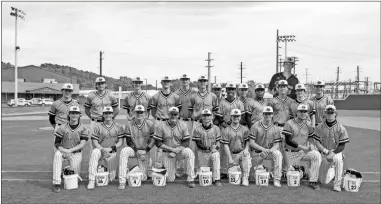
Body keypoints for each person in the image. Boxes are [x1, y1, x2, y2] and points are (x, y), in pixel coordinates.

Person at [152, 107, 196, 188]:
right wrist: (172, 150)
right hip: (168, 153)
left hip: (179, 151)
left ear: (178, 115)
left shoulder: (183, 125)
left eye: (175, 114)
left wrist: (176, 150)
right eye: (171, 114)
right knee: (170, 179)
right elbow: (158, 143)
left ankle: (191, 179)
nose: (173, 116)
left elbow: (186, 142)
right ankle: (171, 170)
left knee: (189, 153)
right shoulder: (161, 125)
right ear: (168, 115)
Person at [282, 104, 322, 190]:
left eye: (305, 111)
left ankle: (313, 181)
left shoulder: (308, 124)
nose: (303, 113)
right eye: (301, 111)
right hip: (290, 153)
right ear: (297, 112)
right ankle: (301, 171)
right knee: (291, 176)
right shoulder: (289, 123)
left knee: (316, 155)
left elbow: (311, 138)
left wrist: (311, 145)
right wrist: (303, 148)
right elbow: (288, 140)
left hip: (302, 153)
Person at [52, 106, 89, 193]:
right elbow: (57, 143)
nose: (74, 115)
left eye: (76, 113)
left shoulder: (83, 128)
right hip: (63, 152)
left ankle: (65, 170)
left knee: (75, 178)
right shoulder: (62, 127)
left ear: (80, 115)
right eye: (72, 113)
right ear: (69, 114)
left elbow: (82, 144)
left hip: (76, 153)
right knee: (57, 155)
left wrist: (70, 150)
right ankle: (56, 183)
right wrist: (63, 150)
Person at [118, 105, 156, 190]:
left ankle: (142, 166)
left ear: (145, 113)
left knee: (143, 178)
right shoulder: (129, 125)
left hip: (144, 151)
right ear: (134, 113)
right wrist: (137, 151)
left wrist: (146, 151)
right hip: (133, 149)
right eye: (137, 112)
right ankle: (122, 181)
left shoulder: (150, 124)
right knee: (124, 151)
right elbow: (128, 141)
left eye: (141, 112)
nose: (139, 114)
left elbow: (153, 140)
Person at [313, 105, 349, 192]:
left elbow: (342, 145)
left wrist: (333, 153)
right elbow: (317, 143)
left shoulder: (341, 128)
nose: (330, 115)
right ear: (324, 113)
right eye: (328, 113)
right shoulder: (319, 127)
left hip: (335, 152)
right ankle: (322, 175)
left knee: (338, 160)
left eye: (332, 113)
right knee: (324, 180)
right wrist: (326, 151)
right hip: (322, 152)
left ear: (335, 114)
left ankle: (337, 184)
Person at [87, 106, 124, 190]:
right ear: (103, 115)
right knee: (95, 152)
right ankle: (91, 181)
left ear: (112, 114)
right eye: (106, 113)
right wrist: (102, 150)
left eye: (110, 113)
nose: (108, 115)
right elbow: (94, 142)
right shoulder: (97, 126)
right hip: (101, 152)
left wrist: (111, 148)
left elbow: (121, 142)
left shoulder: (118, 126)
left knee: (111, 178)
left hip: (112, 153)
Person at [149, 76, 182, 168]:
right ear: (161, 83)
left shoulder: (176, 96)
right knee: (159, 145)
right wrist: (159, 118)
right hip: (160, 121)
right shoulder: (156, 96)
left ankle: (175, 167)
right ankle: (159, 166)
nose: (166, 83)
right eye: (164, 81)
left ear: (170, 83)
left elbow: (178, 110)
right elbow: (153, 110)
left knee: (175, 143)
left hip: (172, 122)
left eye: (168, 81)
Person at [214, 83, 245, 178]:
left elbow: (242, 117)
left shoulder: (239, 103)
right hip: (224, 127)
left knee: (235, 147)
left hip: (236, 128)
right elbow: (219, 117)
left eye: (232, 89)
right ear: (226, 90)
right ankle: (223, 171)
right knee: (223, 149)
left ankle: (236, 168)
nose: (230, 91)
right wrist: (225, 125)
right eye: (229, 89)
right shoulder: (222, 102)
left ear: (235, 90)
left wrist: (235, 126)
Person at [249, 106, 282, 187]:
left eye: (269, 113)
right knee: (252, 177)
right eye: (266, 113)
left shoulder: (275, 128)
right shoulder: (255, 126)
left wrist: (269, 151)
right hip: (257, 153)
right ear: (263, 114)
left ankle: (276, 179)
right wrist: (263, 149)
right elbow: (251, 143)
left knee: (278, 154)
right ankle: (264, 170)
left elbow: (277, 144)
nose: (268, 115)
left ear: (272, 115)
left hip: (269, 153)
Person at [220, 109, 252, 186]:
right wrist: (230, 158)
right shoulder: (226, 130)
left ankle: (245, 178)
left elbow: (247, 141)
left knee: (246, 155)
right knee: (232, 176)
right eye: (234, 116)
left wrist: (246, 149)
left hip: (241, 153)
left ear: (240, 117)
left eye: (237, 116)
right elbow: (225, 145)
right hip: (231, 154)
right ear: (231, 117)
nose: (236, 118)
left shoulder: (245, 129)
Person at [192, 109, 222, 186]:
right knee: (205, 175)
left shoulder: (216, 128)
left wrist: (216, 149)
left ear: (211, 117)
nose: (206, 117)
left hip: (213, 152)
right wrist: (209, 148)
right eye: (204, 115)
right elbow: (198, 144)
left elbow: (218, 142)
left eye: (208, 115)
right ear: (201, 117)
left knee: (216, 155)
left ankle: (217, 179)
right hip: (202, 153)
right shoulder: (197, 129)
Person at [49, 83, 80, 152]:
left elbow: (78, 119)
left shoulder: (75, 104)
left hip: (72, 128)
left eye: (69, 90)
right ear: (62, 91)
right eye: (66, 90)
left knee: (72, 149)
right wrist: (57, 127)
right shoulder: (55, 103)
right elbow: (51, 118)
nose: (67, 92)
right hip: (59, 126)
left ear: (72, 92)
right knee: (57, 150)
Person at [175, 74, 194, 177]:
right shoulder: (176, 93)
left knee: (191, 145)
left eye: (186, 79)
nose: (185, 81)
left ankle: (189, 168)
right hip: (180, 121)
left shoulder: (194, 93)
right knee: (179, 144)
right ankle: (179, 168)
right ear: (180, 81)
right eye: (183, 79)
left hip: (191, 121)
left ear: (189, 81)